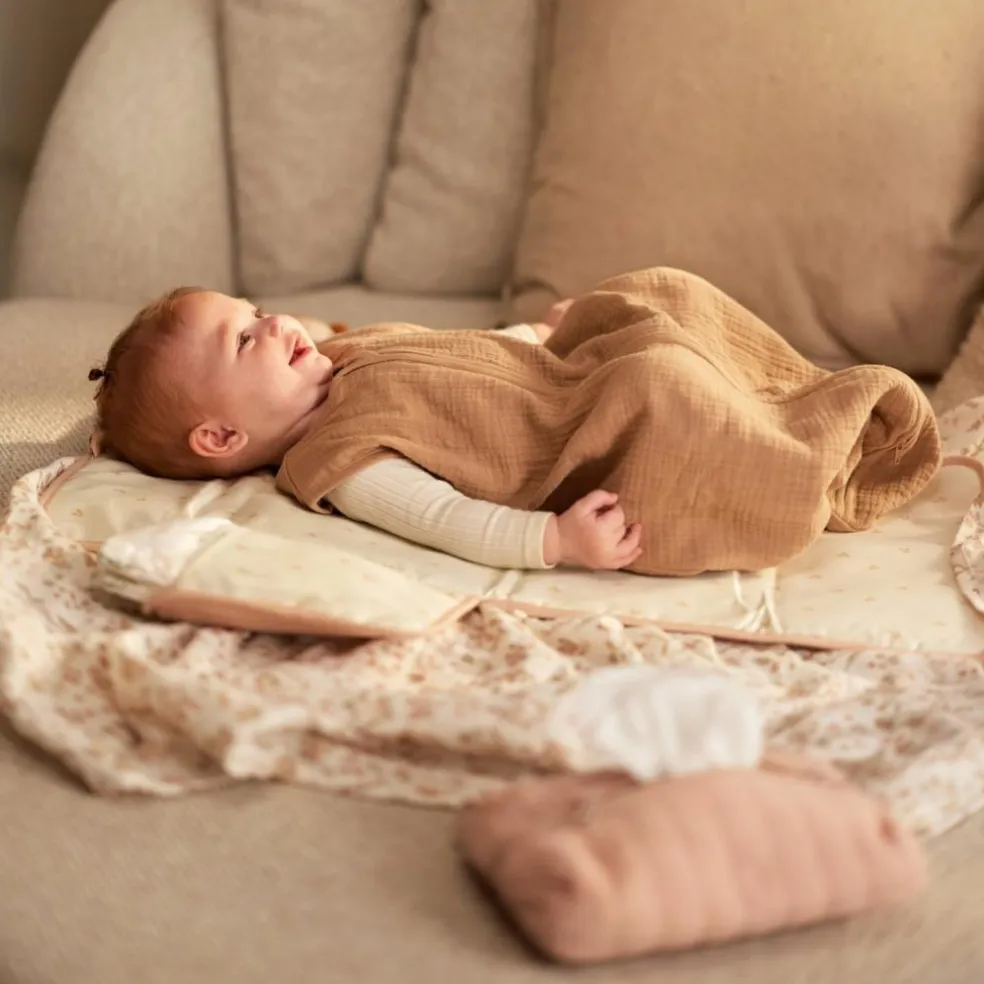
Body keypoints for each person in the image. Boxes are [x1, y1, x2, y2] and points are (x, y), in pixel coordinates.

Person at [87, 268, 940, 576]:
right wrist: (556, 542)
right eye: (246, 339)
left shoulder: (346, 355)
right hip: (572, 438)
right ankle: (804, 451)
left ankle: (788, 390)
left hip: (555, 375)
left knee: (658, 294)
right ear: (222, 438)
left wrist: (538, 333)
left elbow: (463, 355)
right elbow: (448, 519)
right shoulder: (340, 462)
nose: (274, 322)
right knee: (662, 384)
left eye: (254, 310)